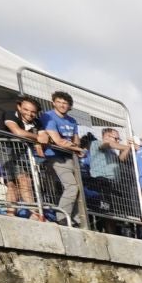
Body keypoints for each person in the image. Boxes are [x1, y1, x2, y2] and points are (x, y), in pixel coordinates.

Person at [34, 92, 85, 228]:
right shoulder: (48, 116)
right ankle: (62, 217)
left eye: (65, 103)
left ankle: (74, 219)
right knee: (72, 187)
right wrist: (78, 149)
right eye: (59, 102)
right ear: (53, 102)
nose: (62, 105)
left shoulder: (72, 121)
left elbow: (76, 140)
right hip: (54, 156)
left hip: (69, 157)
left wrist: (76, 147)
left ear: (69, 106)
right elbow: (57, 141)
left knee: (77, 188)